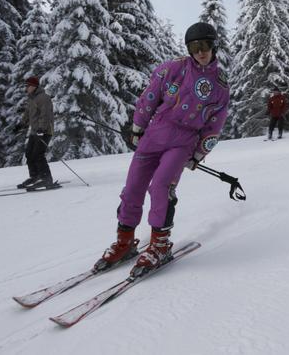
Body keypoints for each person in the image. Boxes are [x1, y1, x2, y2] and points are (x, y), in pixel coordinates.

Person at [95, 22, 229, 274]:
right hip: (155, 134)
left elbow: (215, 124)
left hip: (183, 141)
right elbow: (150, 96)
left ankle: (160, 245)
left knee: (160, 187)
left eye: (206, 45)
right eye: (195, 46)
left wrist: (199, 153)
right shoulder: (172, 68)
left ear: (214, 46)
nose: (201, 51)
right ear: (189, 48)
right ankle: (125, 241)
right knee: (133, 187)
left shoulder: (220, 87)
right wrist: (138, 126)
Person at [16, 76, 55, 190]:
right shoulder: (32, 98)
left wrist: (42, 129)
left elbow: (45, 114)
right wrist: (21, 125)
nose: (26, 88)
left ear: (34, 86)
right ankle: (35, 176)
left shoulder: (43, 98)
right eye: (26, 86)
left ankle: (46, 179)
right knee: (29, 153)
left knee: (38, 154)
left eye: (27, 86)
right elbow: (27, 114)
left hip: (45, 131)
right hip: (35, 131)